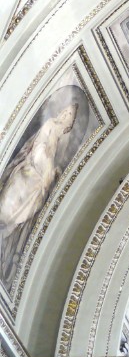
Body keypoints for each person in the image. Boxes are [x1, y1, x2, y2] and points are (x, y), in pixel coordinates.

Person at [0, 102, 79, 286]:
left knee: (27, 210)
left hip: (39, 182)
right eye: (66, 111)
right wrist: (49, 169)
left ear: (70, 124)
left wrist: (52, 173)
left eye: (70, 115)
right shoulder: (50, 124)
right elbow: (39, 149)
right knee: (9, 203)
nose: (65, 114)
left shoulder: (61, 139)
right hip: (29, 173)